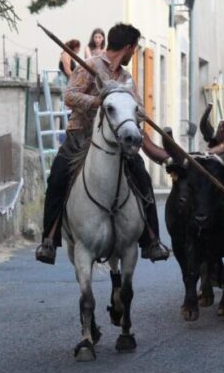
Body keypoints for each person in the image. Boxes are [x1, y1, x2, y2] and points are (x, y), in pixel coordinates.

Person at [35, 23, 170, 265]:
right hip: (81, 134)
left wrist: (134, 110)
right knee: (57, 178)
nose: (133, 54)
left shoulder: (126, 78)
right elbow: (69, 96)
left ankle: (152, 239)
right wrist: (98, 101)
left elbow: (139, 108)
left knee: (142, 177)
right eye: (134, 49)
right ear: (127, 47)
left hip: (116, 140)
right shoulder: (91, 66)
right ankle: (50, 239)